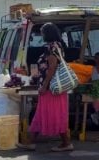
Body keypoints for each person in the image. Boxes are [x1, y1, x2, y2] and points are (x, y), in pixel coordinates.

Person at [20, 23, 73, 152]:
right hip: (56, 87)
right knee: (45, 114)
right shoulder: (59, 45)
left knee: (50, 114)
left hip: (51, 88)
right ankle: (30, 142)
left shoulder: (50, 47)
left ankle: (66, 143)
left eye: (43, 33)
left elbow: (52, 67)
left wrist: (44, 86)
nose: (42, 35)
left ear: (47, 34)